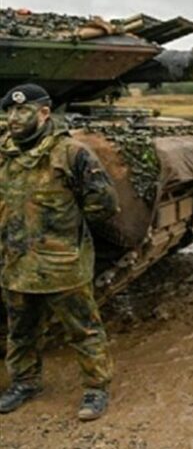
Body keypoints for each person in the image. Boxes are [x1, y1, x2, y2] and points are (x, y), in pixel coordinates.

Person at [0, 84, 119, 421]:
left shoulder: (71, 153)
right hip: (15, 262)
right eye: (9, 111)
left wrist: (62, 229)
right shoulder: (3, 151)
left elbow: (104, 203)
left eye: (23, 111)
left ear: (44, 113)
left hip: (62, 262)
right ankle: (25, 382)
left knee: (83, 328)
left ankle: (96, 388)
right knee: (21, 331)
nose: (14, 118)